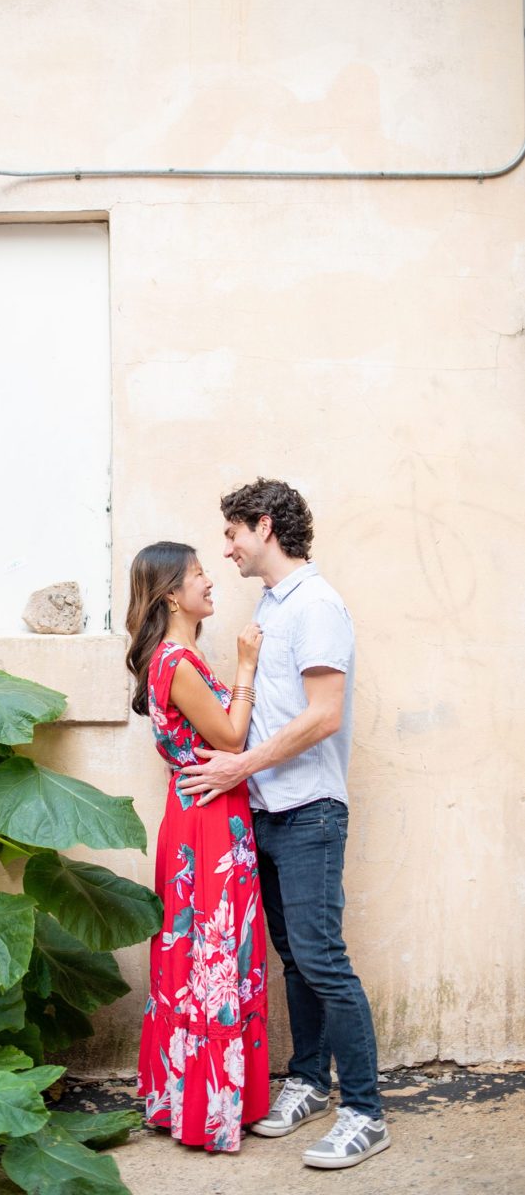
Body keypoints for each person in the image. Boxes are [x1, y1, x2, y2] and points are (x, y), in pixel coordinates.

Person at [178, 479, 390, 1170]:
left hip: (309, 812)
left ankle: (362, 1111)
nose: (226, 546)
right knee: (295, 959)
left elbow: (322, 714)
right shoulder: (273, 605)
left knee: (323, 960)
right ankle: (305, 1080)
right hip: (266, 811)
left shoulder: (318, 606)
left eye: (233, 532)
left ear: (264, 526)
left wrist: (240, 767)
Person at [126, 541, 270, 1152]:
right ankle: (210, 1108)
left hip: (199, 814)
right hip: (208, 821)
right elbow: (232, 738)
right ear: (170, 596)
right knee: (213, 955)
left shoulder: (174, 657)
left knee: (198, 954)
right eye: (197, 575)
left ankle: (190, 1100)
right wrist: (245, 666)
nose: (210, 581)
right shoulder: (177, 661)